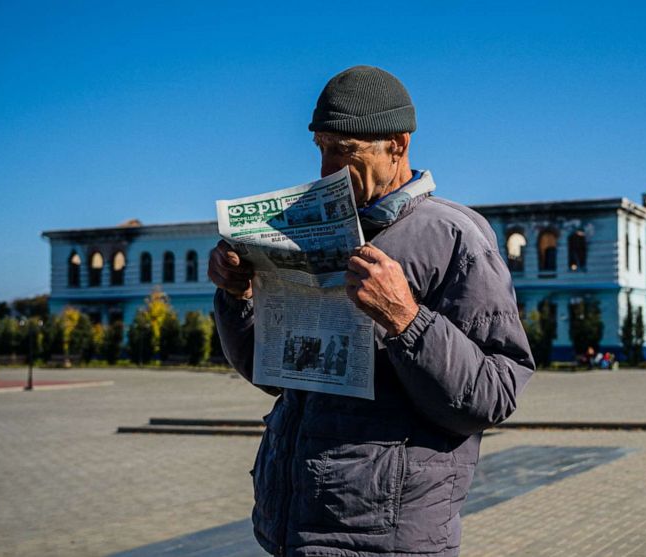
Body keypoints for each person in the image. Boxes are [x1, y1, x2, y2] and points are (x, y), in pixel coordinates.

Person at [210, 65, 534, 557]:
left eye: (344, 151)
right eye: (321, 147)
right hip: (293, 525)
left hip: (385, 536)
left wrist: (406, 319)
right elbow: (273, 374)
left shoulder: (455, 237)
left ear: (397, 145)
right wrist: (238, 297)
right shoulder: (310, 230)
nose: (326, 170)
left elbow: (494, 394)